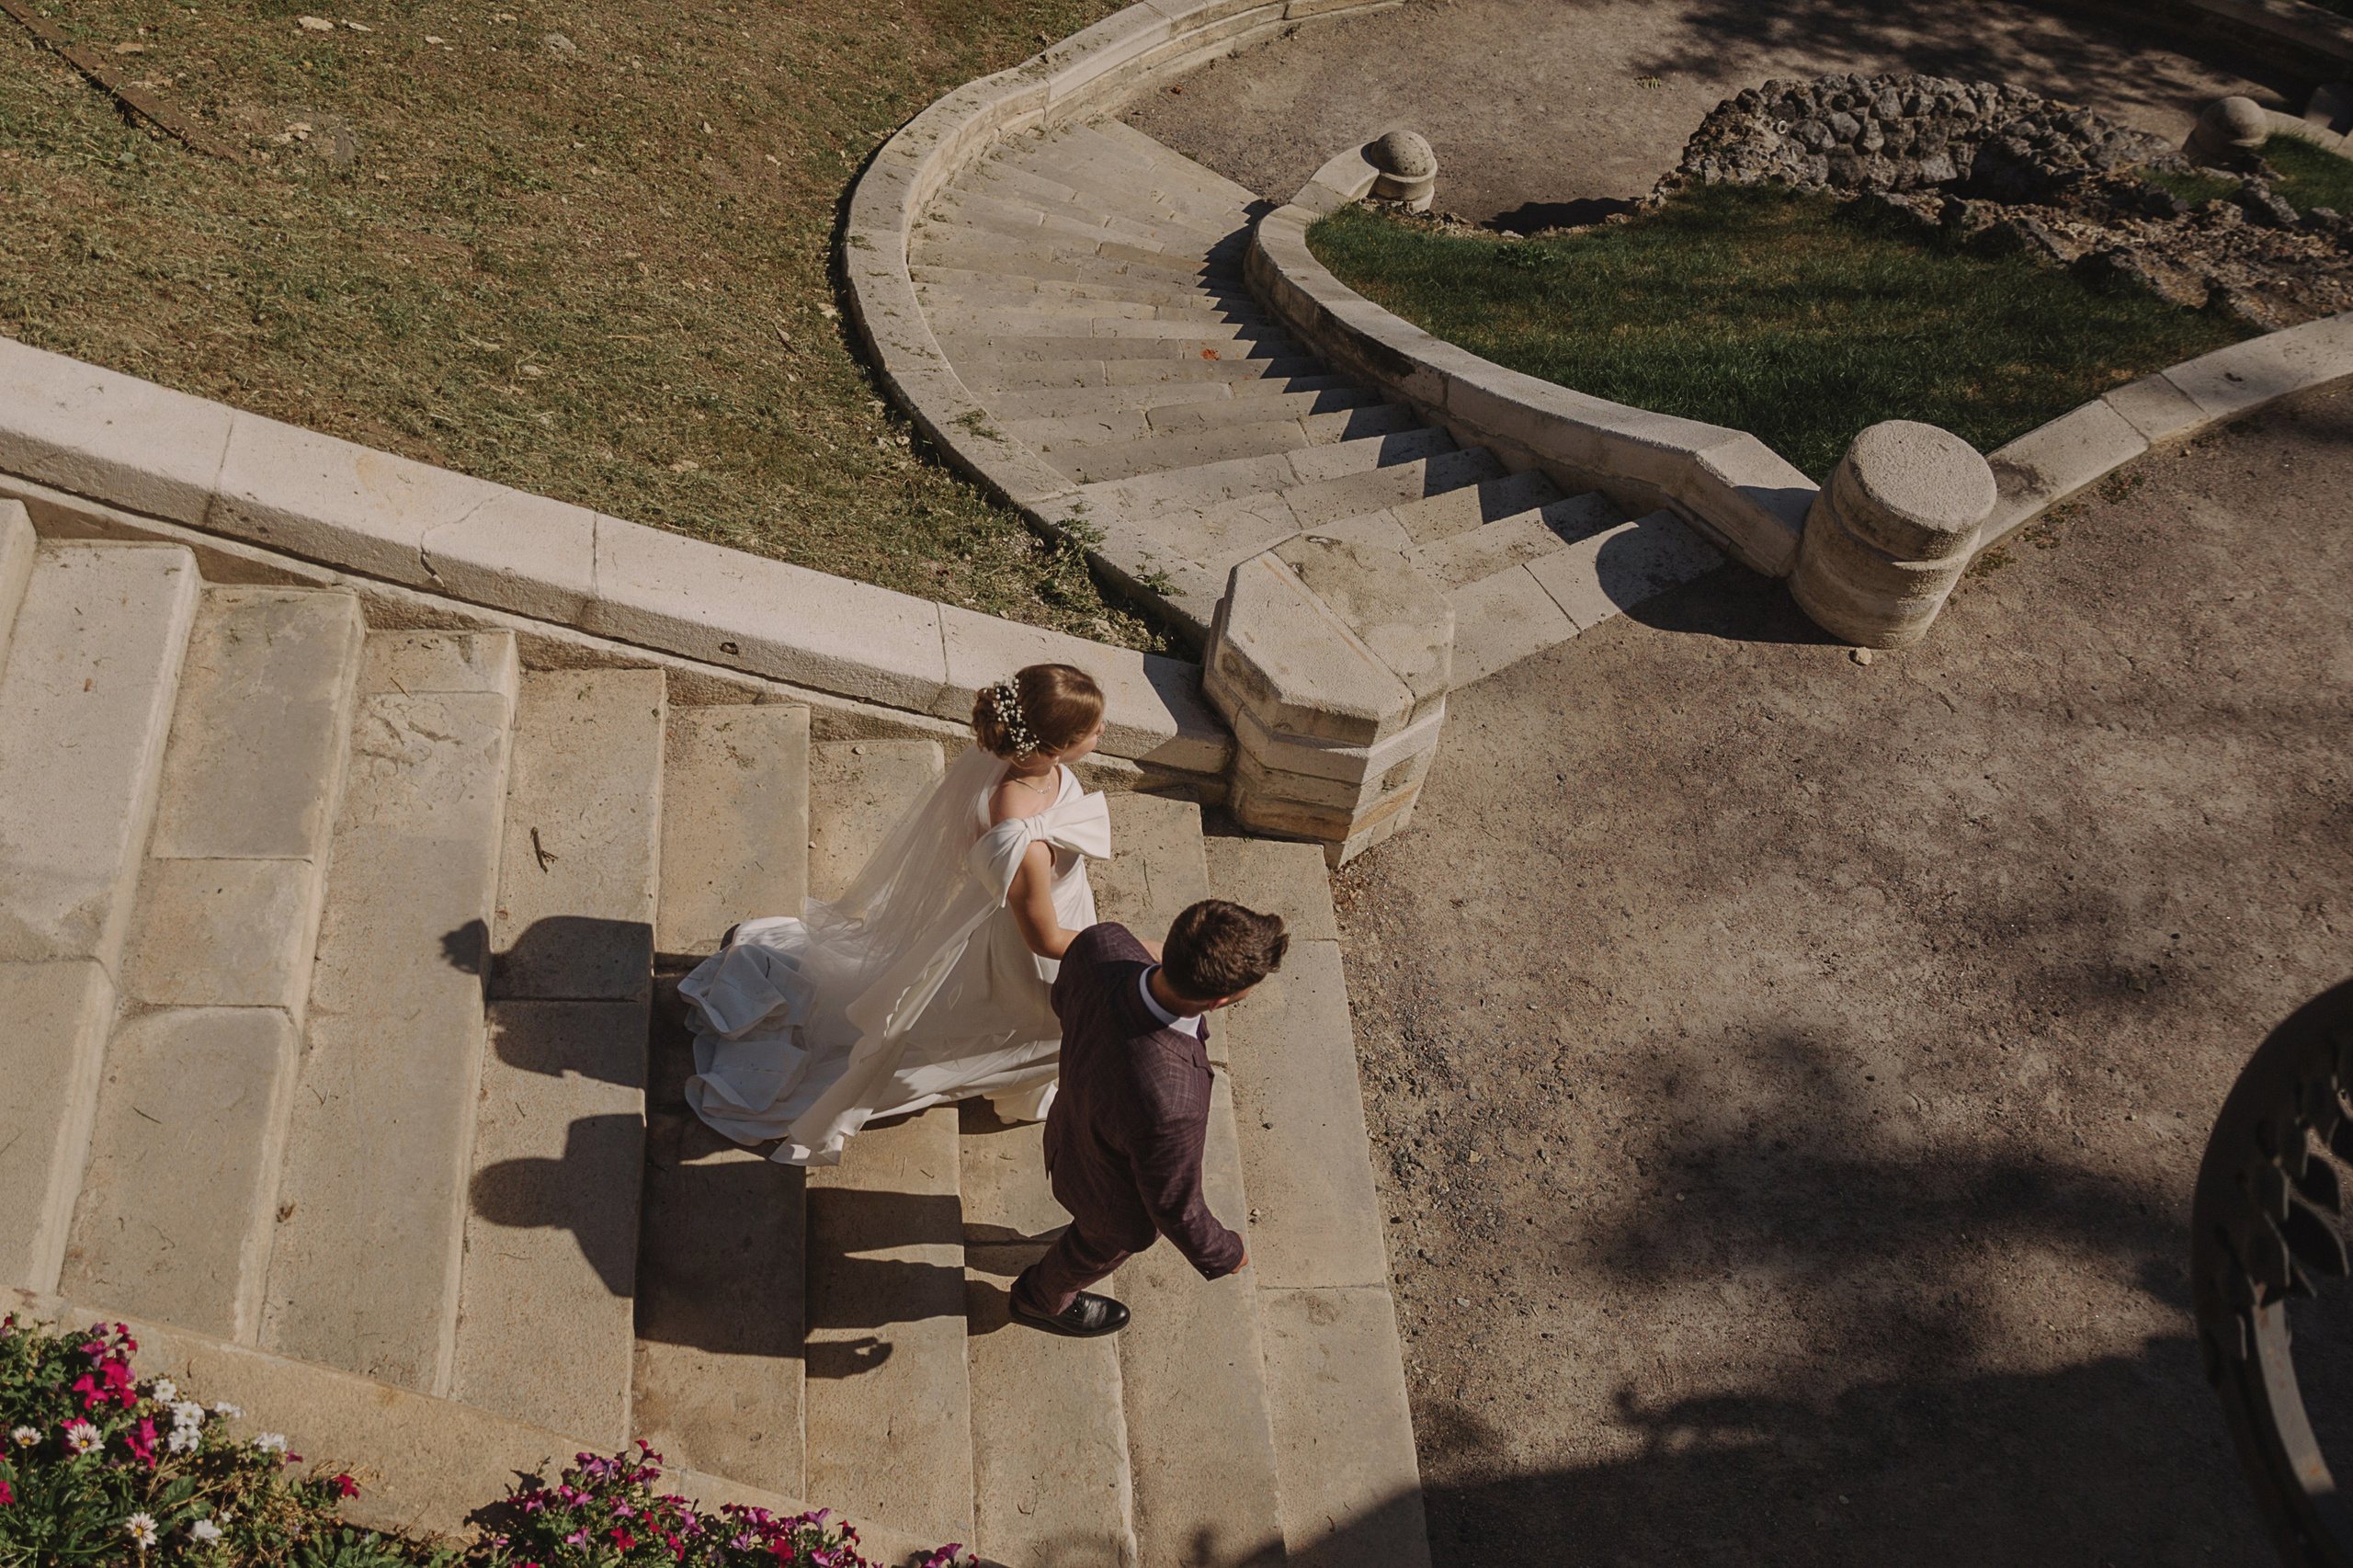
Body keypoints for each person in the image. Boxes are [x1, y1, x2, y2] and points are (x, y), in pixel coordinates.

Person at [677, 664, 1111, 1166]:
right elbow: (1044, 939)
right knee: (1047, 1019)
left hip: (1058, 906)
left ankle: (1023, 1085)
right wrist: (1128, 950)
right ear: (1051, 745)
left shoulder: (1023, 766)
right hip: (1030, 944)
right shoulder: (1025, 841)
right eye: (1092, 729)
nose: (1103, 732)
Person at [1010, 898, 1289, 1337]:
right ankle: (1039, 1300)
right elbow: (1174, 1205)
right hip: (1114, 1205)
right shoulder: (1174, 1102)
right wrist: (1223, 1252)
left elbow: (1065, 1002)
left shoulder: (1102, 943)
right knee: (1090, 1250)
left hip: (1070, 1132)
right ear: (1218, 1000)